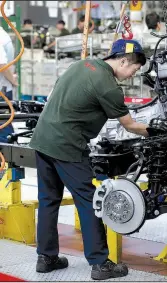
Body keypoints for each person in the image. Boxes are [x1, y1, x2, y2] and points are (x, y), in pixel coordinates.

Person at [29, 39, 149, 280]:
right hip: (67, 146)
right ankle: (100, 263)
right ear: (123, 61)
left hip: (42, 140)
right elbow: (131, 125)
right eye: (133, 70)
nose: (131, 76)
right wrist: (158, 130)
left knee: (48, 200)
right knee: (89, 201)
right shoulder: (108, 86)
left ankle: (46, 258)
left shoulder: (80, 65)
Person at [0, 26, 17, 143]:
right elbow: (2, 65)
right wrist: (14, 81)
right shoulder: (2, 36)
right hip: (2, 90)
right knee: (4, 129)